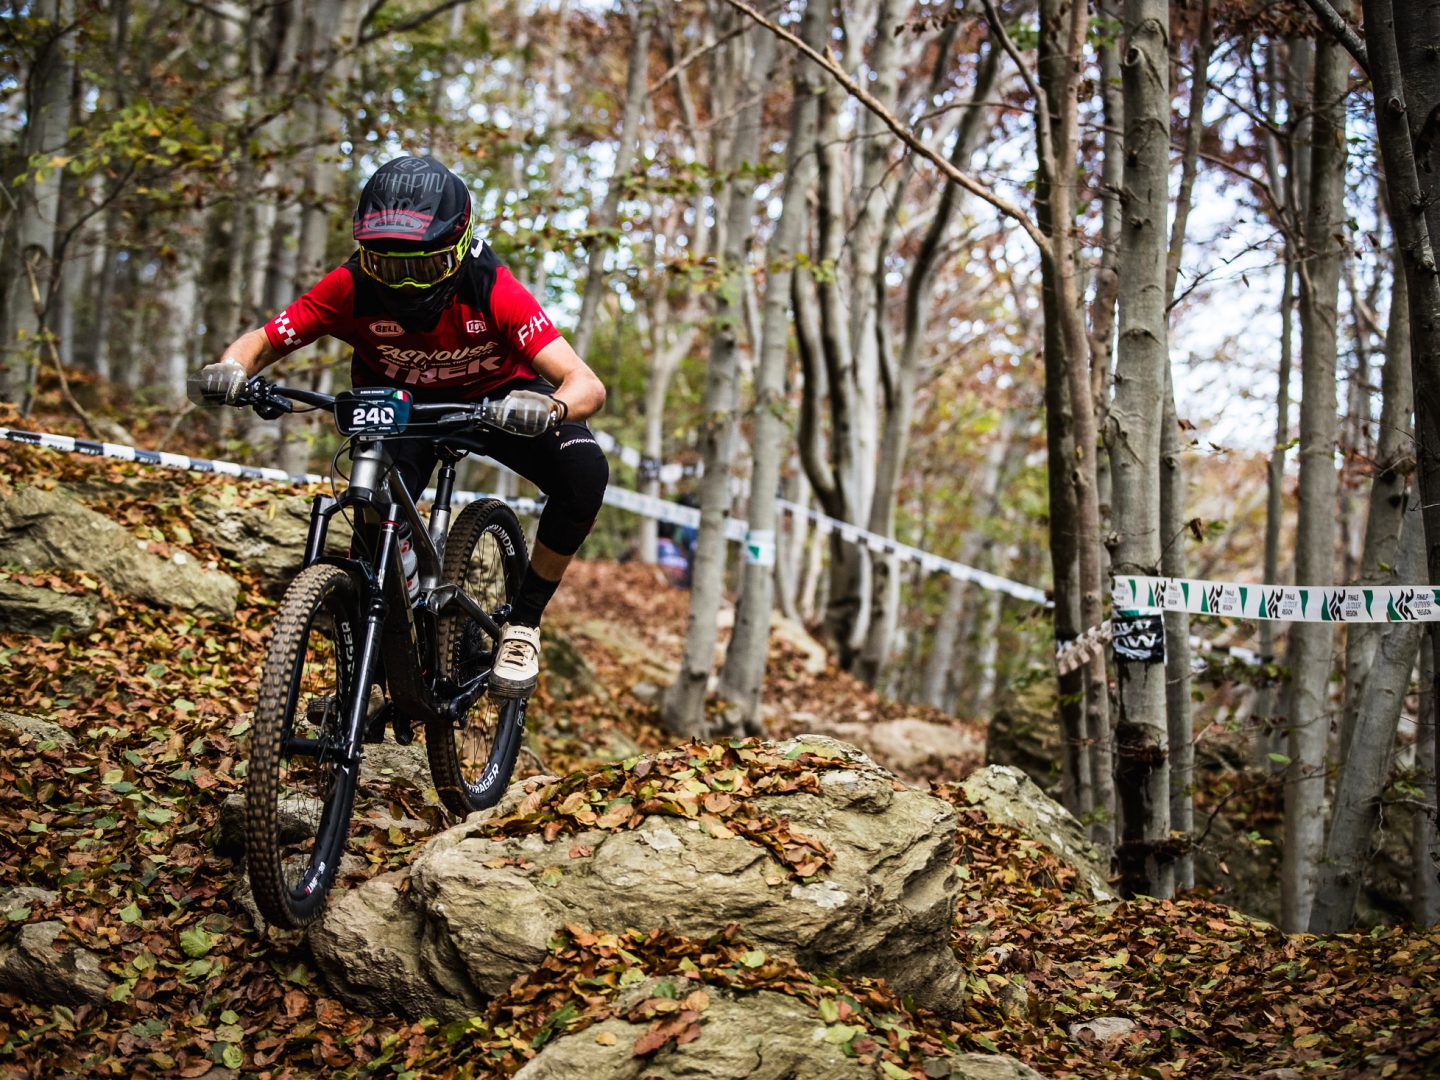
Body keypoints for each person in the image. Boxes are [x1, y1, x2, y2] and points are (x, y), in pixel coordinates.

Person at [193, 155, 608, 700]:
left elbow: (586, 384)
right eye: (389, 266)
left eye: (424, 265)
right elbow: (265, 340)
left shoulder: (492, 286)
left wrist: (550, 408)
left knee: (584, 470)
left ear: (458, 250)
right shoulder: (349, 284)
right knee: (372, 520)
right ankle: (378, 650)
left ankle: (523, 623)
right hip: (400, 405)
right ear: (366, 254)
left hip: (495, 401)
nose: (407, 282)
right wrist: (234, 370)